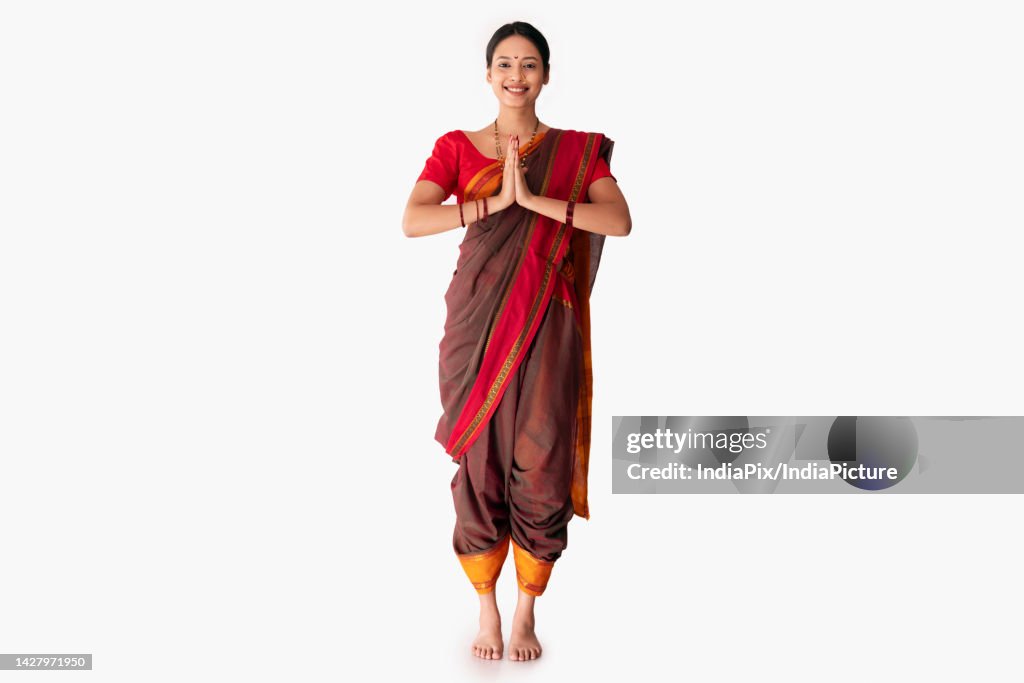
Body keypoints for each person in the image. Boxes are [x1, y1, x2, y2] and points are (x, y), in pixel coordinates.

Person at [402, 21, 631, 662]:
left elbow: (619, 219)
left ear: (546, 75)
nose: (515, 75)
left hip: (546, 326)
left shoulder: (577, 151)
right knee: (480, 460)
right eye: (504, 63)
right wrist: (492, 202)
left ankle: (526, 610)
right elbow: (414, 219)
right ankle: (486, 609)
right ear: (487, 73)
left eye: (529, 64)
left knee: (542, 456)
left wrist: (531, 200)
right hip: (475, 325)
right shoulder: (457, 147)